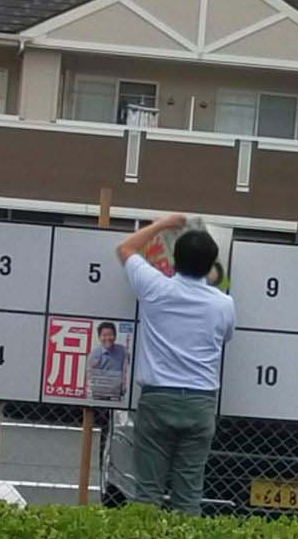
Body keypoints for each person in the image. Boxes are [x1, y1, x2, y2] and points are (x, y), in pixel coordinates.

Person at [115, 212, 235, 514]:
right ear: (211, 266)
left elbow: (125, 249)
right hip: (201, 403)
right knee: (188, 494)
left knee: (147, 492)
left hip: (158, 399)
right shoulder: (223, 304)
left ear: (173, 260)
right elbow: (226, 337)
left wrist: (164, 225)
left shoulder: (156, 288)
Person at [87, 321, 128, 403]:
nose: (108, 338)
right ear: (99, 337)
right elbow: (90, 376)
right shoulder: (95, 354)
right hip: (100, 394)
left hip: (118, 394)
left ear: (115, 336)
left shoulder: (122, 350)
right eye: (104, 335)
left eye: (110, 335)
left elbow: (126, 370)